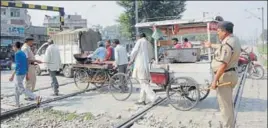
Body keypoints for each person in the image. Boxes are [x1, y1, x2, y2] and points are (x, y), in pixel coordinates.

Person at [203, 21, 241, 128]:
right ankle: (231, 124)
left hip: (225, 76)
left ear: (224, 32)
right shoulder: (234, 40)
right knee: (228, 105)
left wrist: (214, 81)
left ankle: (228, 126)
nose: (217, 33)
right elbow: (222, 47)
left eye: (218, 31)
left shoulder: (227, 44)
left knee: (225, 107)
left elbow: (223, 65)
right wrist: (211, 45)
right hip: (231, 74)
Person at [129, 33, 160, 105]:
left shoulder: (140, 41)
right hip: (147, 65)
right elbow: (151, 54)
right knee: (144, 82)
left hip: (140, 64)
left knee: (143, 82)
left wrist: (131, 60)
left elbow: (134, 51)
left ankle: (153, 97)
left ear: (138, 37)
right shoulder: (148, 43)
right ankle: (141, 100)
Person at [9, 41, 41, 107]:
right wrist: (26, 74)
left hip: (19, 73)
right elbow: (26, 63)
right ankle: (17, 104)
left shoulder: (17, 53)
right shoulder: (23, 53)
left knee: (21, 89)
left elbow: (18, 65)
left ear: (15, 47)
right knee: (16, 88)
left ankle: (36, 97)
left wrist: (12, 75)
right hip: (23, 72)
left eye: (13, 46)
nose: (12, 48)